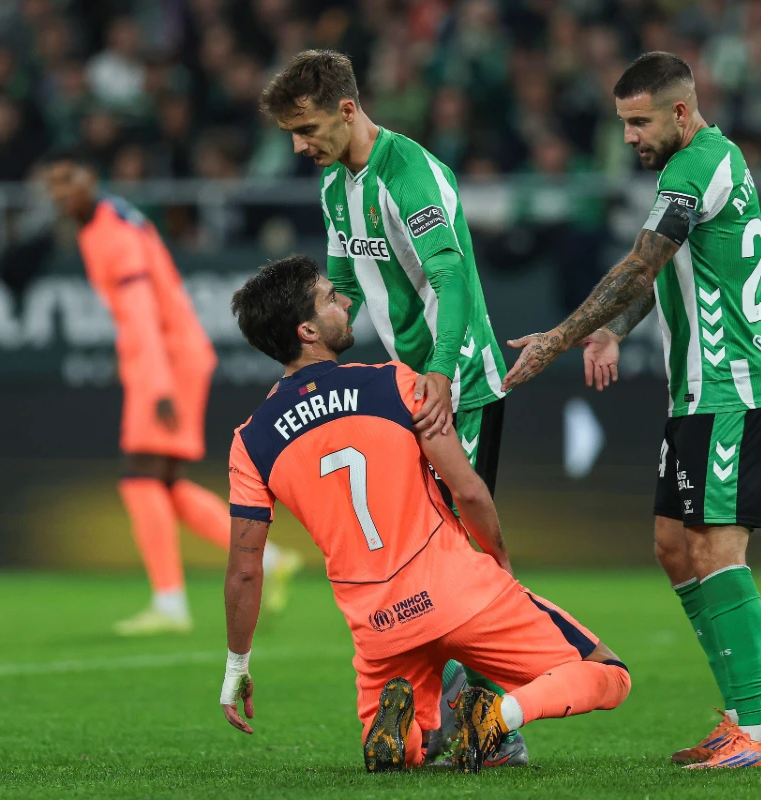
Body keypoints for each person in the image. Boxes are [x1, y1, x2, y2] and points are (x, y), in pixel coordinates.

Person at [219, 255, 630, 773]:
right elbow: (469, 491)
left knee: (404, 753)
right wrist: (499, 561)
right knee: (609, 673)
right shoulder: (394, 383)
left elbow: (245, 567)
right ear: (307, 330)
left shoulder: (250, 441)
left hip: (379, 622)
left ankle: (403, 735)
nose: (346, 302)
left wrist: (237, 664)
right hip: (460, 591)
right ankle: (500, 715)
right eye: (330, 298)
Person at [501, 52, 761, 769]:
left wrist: (556, 341)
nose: (628, 135)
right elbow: (659, 274)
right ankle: (736, 721)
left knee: (715, 549)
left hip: (733, 385)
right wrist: (611, 330)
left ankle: (760, 733)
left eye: (639, 121)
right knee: (672, 545)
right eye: (623, 122)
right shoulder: (692, 167)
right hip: (696, 389)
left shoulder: (697, 168)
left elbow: (637, 264)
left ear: (682, 113)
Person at [259, 48, 520, 766]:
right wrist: (314, 372)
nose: (297, 146)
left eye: (307, 129)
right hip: (410, 387)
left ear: (347, 111)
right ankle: (443, 718)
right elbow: (341, 285)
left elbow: (451, 274)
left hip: (457, 380)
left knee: (461, 556)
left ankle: (496, 725)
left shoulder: (412, 174)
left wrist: (438, 369)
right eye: (290, 133)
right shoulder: (335, 189)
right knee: (421, 556)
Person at [43, 155, 301, 635]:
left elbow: (141, 310)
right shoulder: (109, 218)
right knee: (163, 486)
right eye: (52, 184)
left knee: (140, 480)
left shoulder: (111, 233)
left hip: (164, 360)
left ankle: (169, 603)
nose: (59, 193)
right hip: (173, 354)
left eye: (68, 181)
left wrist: (158, 385)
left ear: (90, 181)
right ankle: (273, 556)